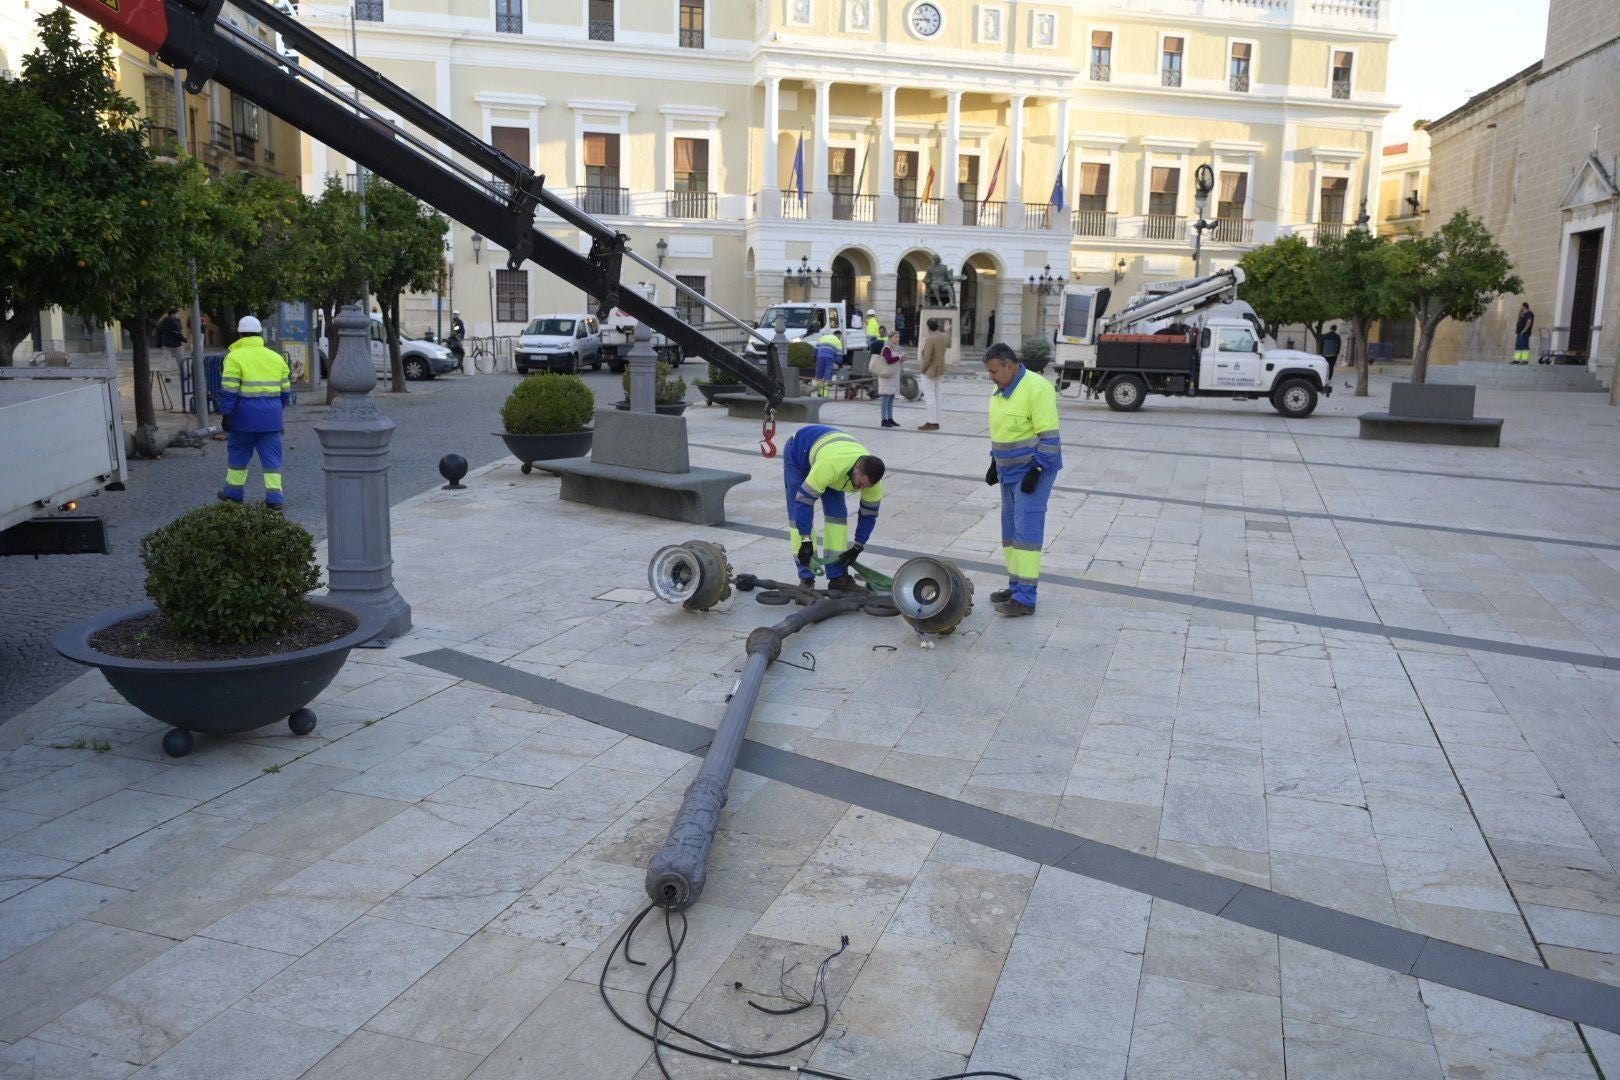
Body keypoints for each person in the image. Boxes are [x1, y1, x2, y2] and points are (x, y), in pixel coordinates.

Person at [982, 342, 1061, 617]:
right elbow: (1002, 430)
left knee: (1026, 533)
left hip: (1033, 472)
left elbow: (1049, 438)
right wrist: (994, 462)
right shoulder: (1000, 391)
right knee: (1010, 532)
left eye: (994, 371)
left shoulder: (1037, 388)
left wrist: (1036, 471)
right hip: (1008, 472)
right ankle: (1015, 585)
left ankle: (1025, 598)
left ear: (1009, 366)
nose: (991, 377)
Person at [783, 425, 885, 594]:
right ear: (856, 468)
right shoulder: (832, 465)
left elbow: (869, 515)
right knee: (797, 517)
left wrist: (858, 546)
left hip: (831, 455)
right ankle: (806, 577)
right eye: (860, 484)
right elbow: (804, 501)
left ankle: (838, 578)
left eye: (866, 487)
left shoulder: (872, 484)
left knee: (837, 517)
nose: (861, 489)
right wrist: (806, 541)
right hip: (799, 454)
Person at [217, 315, 292, 508]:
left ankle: (234, 493)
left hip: (243, 420)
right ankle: (275, 498)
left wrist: (226, 414)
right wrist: (274, 410)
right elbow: (286, 393)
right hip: (272, 420)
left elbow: (229, 390)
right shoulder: (276, 358)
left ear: (240, 335)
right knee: (272, 460)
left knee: (238, 455)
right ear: (260, 334)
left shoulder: (234, 357)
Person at [918, 317, 948, 431]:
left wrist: (923, 369)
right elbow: (949, 343)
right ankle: (937, 421)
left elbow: (927, 357)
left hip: (930, 370)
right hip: (940, 369)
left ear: (928, 327)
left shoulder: (930, 339)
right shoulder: (944, 336)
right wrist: (947, 331)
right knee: (938, 395)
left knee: (929, 397)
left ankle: (932, 422)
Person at [876, 330, 905, 427]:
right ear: (890, 338)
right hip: (886, 377)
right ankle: (883, 419)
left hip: (893, 377)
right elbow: (889, 360)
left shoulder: (896, 348)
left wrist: (902, 359)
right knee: (886, 398)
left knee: (891, 398)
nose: (898, 338)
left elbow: (896, 361)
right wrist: (899, 357)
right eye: (895, 337)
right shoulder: (887, 348)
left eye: (898, 337)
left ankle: (890, 418)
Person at [813, 327, 842, 397]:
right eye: (840, 337)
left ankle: (819, 392)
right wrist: (839, 362)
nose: (840, 338)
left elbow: (815, 349)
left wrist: (814, 357)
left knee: (819, 374)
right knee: (827, 374)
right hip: (830, 358)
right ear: (838, 335)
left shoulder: (822, 338)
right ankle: (825, 395)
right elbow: (839, 354)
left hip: (820, 356)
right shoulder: (838, 341)